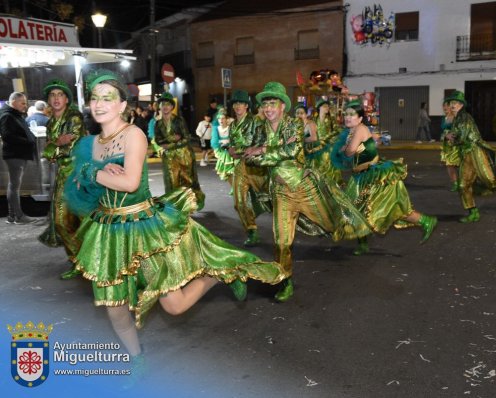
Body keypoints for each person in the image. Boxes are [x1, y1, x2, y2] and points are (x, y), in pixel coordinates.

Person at [63, 70, 289, 358]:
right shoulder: (90, 144)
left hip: (142, 227)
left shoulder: (134, 135)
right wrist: (91, 173)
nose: (99, 104)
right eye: (95, 98)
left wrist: (93, 172)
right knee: (115, 311)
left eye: (108, 98)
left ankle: (219, 276)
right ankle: (137, 360)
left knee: (175, 305)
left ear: (122, 105)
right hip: (107, 229)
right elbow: (80, 189)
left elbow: (130, 182)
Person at [245, 82, 371, 302]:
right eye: (265, 104)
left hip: (304, 187)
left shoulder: (294, 124)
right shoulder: (260, 128)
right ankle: (286, 281)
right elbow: (252, 156)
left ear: (282, 106)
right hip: (281, 193)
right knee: (281, 241)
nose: (268, 108)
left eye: (272, 103)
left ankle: (360, 233)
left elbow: (292, 150)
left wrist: (264, 150)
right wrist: (261, 151)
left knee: (333, 222)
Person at [332, 100, 437, 255]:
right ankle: (362, 244)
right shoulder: (353, 131)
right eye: (346, 114)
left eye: (352, 114)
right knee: (356, 210)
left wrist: (344, 148)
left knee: (390, 209)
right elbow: (368, 144)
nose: (347, 117)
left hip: (374, 178)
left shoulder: (359, 129)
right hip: (360, 177)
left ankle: (426, 221)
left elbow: (349, 152)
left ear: (360, 118)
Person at [444, 91, 496, 223]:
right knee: (463, 185)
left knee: (490, 181)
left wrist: (449, 136)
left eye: (455, 103)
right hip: (466, 154)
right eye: (451, 103)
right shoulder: (456, 119)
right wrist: (449, 136)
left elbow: (461, 137)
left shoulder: (465, 117)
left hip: (475, 151)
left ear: (461, 105)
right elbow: (455, 137)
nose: (453, 105)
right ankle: (473, 212)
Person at [37, 79, 87, 280]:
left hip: (77, 174)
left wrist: (53, 146)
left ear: (66, 99)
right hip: (62, 174)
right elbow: (49, 154)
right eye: (52, 95)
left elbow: (72, 147)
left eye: (60, 95)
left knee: (82, 219)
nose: (56, 98)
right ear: (48, 100)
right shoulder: (50, 123)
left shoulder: (74, 118)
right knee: (61, 221)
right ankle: (78, 260)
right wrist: (57, 143)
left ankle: (88, 261)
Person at [227, 89, 269, 246]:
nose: (238, 106)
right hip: (241, 167)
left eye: (241, 103)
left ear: (246, 106)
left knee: (270, 199)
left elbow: (260, 145)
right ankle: (252, 231)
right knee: (239, 202)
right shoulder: (232, 126)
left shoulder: (255, 121)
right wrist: (235, 152)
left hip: (257, 167)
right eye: (235, 103)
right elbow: (232, 150)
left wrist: (239, 151)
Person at [153, 92, 205, 210]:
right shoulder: (158, 124)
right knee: (172, 183)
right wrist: (172, 138)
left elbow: (187, 137)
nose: (165, 107)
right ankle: (174, 209)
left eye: (168, 104)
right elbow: (158, 140)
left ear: (172, 107)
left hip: (184, 155)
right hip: (169, 158)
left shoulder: (179, 120)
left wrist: (170, 144)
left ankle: (190, 205)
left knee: (188, 181)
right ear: (160, 107)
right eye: (162, 104)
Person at [0, 92, 42, 225]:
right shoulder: (7, 116)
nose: (25, 106)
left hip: (16, 154)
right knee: (14, 186)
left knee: (13, 186)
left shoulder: (12, 114)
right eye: (22, 103)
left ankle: (12, 216)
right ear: (14, 102)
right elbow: (7, 136)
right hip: (15, 155)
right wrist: (27, 141)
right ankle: (18, 216)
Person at [305, 100, 343, 186]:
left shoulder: (331, 119)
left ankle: (331, 183)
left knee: (328, 161)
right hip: (317, 145)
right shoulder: (314, 119)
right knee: (316, 164)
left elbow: (338, 130)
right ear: (319, 108)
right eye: (325, 106)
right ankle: (318, 182)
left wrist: (327, 138)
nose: (327, 108)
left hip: (328, 145)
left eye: (327, 106)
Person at [212, 109, 236, 187]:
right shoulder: (216, 128)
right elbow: (215, 141)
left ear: (226, 119)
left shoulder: (230, 128)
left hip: (230, 151)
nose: (221, 120)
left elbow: (234, 139)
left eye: (223, 118)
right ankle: (233, 187)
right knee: (226, 172)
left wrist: (229, 145)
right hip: (222, 151)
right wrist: (220, 145)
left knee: (232, 172)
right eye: (219, 118)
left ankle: (234, 187)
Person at [439, 99, 459, 191]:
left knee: (458, 164)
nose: (445, 108)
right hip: (447, 144)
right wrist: (445, 135)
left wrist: (453, 135)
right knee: (449, 164)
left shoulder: (456, 117)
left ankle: (463, 182)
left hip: (456, 144)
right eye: (444, 106)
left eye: (447, 105)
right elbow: (442, 131)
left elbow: (459, 130)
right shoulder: (444, 118)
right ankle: (454, 183)